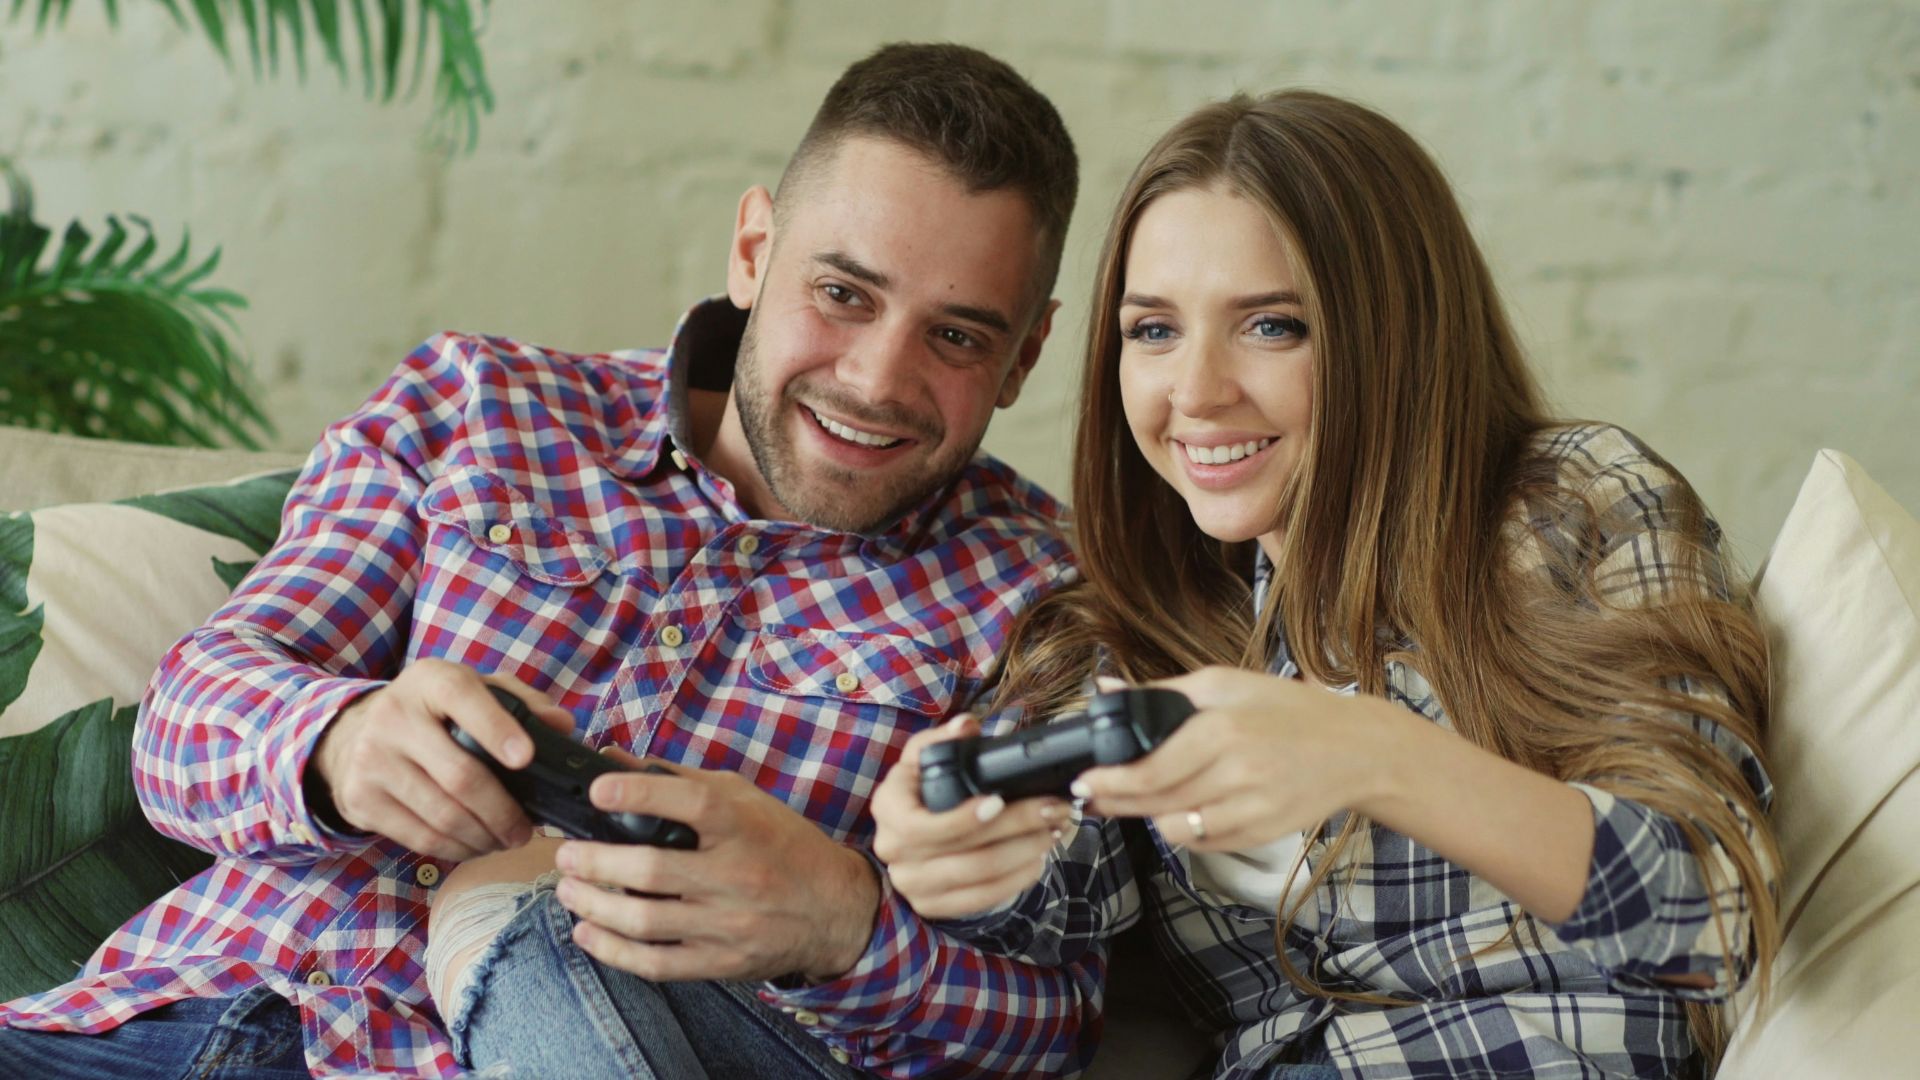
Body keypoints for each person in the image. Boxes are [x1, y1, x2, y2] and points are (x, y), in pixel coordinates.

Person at [0, 43, 1102, 1079]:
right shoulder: (481, 404)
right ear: (754, 252)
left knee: (545, 928)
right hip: (172, 1019)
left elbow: (1050, 1018)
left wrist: (844, 927)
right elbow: (184, 718)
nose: (876, 379)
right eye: (843, 292)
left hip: (554, 1041)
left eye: (956, 335)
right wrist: (338, 741)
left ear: (1026, 356)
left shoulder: (1036, 600)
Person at [869, 89, 1782, 1079]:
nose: (1199, 393)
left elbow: (1715, 914)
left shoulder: (1577, 505)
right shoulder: (1138, 614)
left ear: (1396, 335)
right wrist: (966, 853)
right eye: (1154, 331)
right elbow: (1064, 883)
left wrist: (1374, 757)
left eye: (1272, 327)